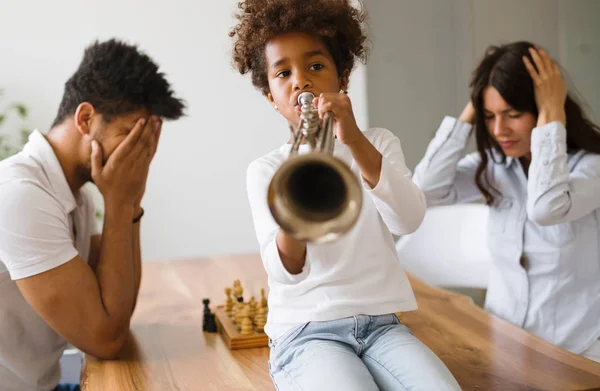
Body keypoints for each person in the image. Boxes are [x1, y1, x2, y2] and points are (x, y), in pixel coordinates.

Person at [230, 1, 462, 389]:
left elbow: (409, 219)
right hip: (306, 332)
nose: (300, 81)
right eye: (283, 72)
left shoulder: (378, 143)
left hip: (382, 325)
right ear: (271, 95)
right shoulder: (268, 171)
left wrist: (353, 140)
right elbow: (284, 270)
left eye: (315, 66)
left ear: (344, 77)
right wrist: (298, 194)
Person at [0, 39, 185, 391]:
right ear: (85, 118)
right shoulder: (20, 194)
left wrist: (130, 204)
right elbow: (106, 339)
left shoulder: (75, 195)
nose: (139, 155)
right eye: (131, 136)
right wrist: (119, 202)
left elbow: (119, 308)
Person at [413, 41, 600, 363]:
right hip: (504, 347)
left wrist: (552, 112)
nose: (500, 130)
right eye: (489, 116)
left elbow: (546, 207)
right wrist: (471, 108)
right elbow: (424, 192)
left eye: (513, 114)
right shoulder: (495, 167)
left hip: (576, 351)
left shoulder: (591, 167)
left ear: (542, 110)